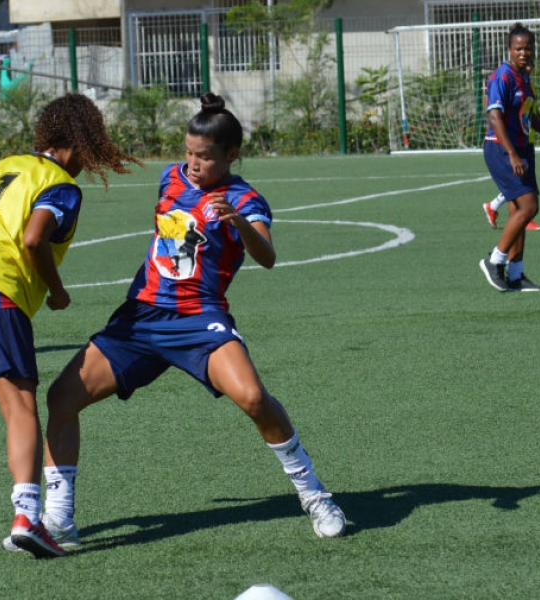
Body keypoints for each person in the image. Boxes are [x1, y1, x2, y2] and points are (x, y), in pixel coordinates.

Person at [35, 92, 347, 551]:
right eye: (188, 152)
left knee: (254, 398)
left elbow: (267, 256)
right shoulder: (169, 179)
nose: (194, 163)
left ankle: (316, 496)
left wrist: (238, 222)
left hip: (199, 319)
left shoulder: (244, 198)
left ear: (232, 155)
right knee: (62, 397)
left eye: (205, 156)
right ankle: (58, 521)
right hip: (140, 316)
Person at [0, 93, 140, 557]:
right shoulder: (60, 185)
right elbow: (35, 237)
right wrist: (55, 291)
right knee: (20, 403)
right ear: (78, 144)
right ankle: (28, 516)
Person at [478, 23, 540, 292]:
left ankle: (516, 275)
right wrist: (512, 154)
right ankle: (494, 261)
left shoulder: (524, 77)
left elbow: (530, 113)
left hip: (523, 149)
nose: (524, 52)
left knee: (519, 209)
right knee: (530, 207)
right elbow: (494, 117)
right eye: (519, 48)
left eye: (528, 47)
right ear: (509, 49)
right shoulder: (502, 77)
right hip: (502, 149)